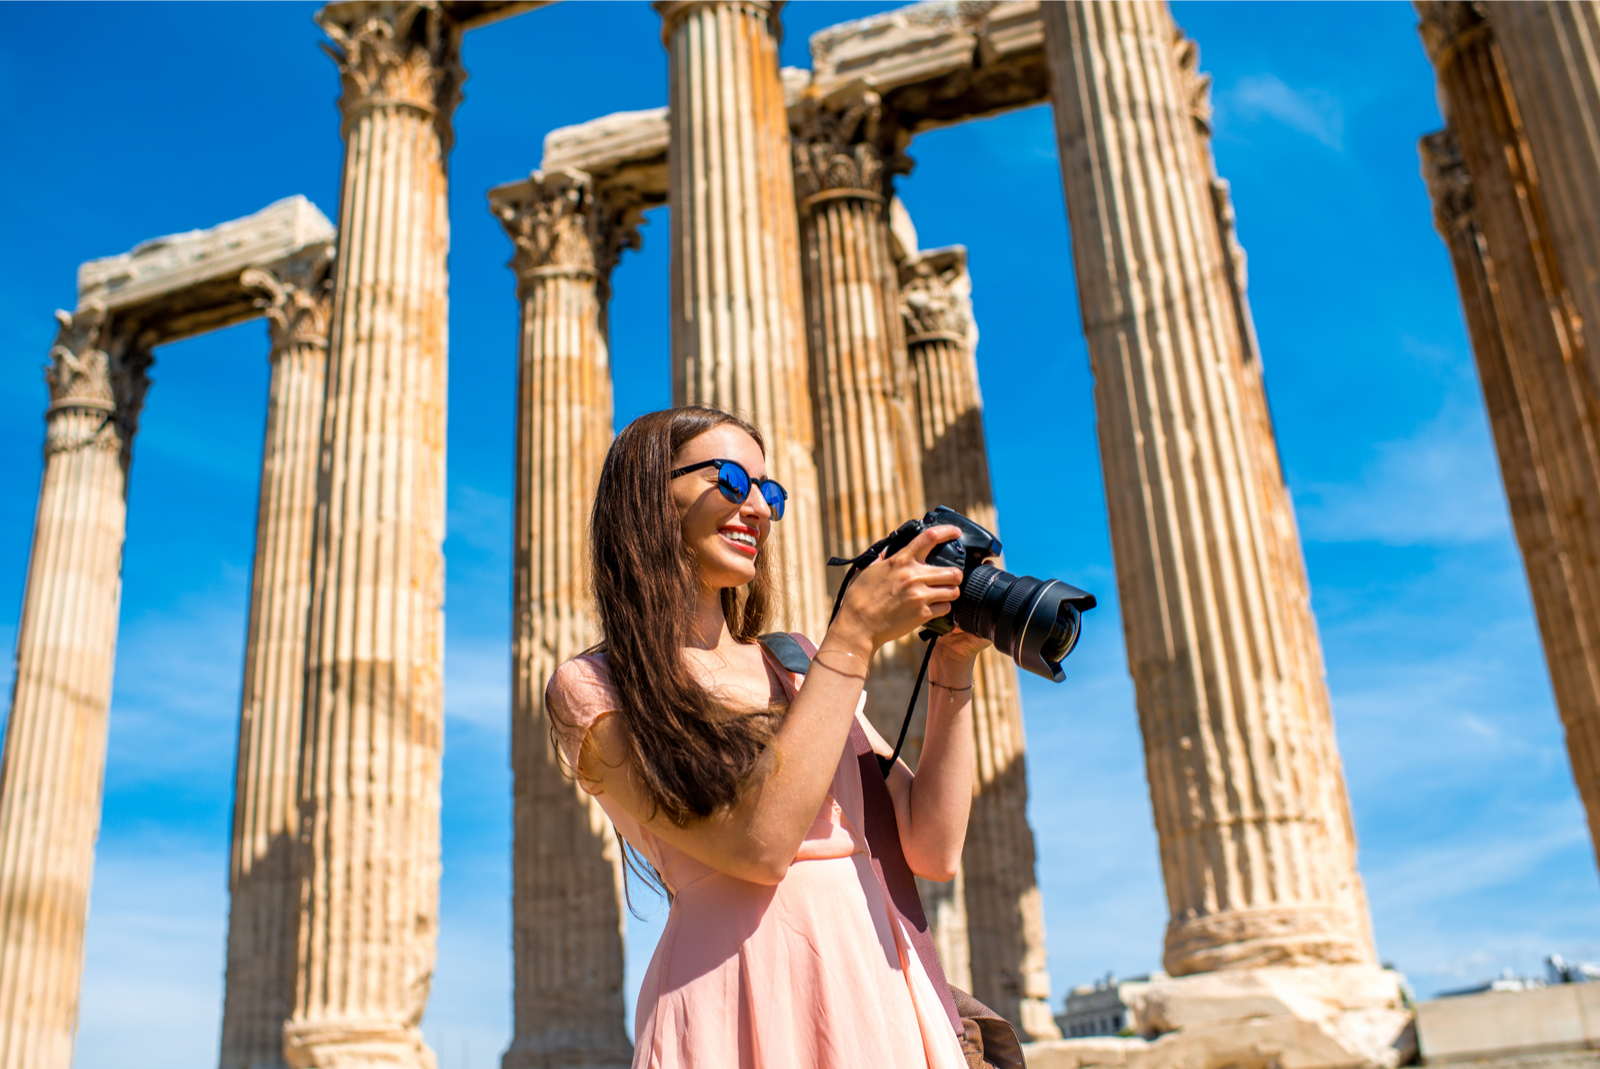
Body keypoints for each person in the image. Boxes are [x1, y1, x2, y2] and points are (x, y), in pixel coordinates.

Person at [546, 405, 991, 1068]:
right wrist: (855, 635)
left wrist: (953, 667)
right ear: (648, 499)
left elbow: (933, 845)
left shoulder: (797, 663)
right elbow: (758, 845)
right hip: (735, 993)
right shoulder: (593, 686)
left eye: (768, 490)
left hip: (876, 983)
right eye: (729, 479)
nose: (758, 507)